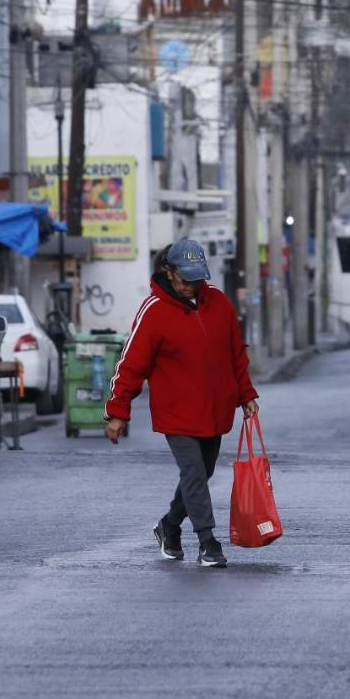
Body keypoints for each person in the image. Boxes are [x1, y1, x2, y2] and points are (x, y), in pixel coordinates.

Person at [104, 239, 260, 568]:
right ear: (169, 272)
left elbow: (235, 353)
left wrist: (246, 394)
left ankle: (169, 527)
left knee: (201, 474)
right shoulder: (154, 311)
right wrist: (118, 413)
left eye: (197, 278)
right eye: (185, 278)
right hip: (177, 413)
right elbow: (131, 365)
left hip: (215, 411)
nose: (192, 285)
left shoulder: (218, 302)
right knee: (193, 473)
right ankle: (208, 542)